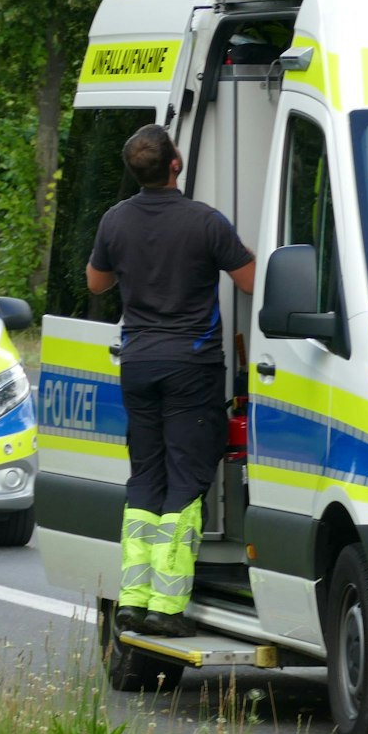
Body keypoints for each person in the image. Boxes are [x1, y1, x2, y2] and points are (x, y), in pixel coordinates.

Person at [87, 124, 255, 636]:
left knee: (146, 476)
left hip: (137, 362)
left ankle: (133, 598)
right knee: (186, 481)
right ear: (175, 164)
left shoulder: (114, 220)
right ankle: (167, 607)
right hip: (192, 365)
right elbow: (249, 280)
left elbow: (96, 283)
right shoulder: (205, 222)